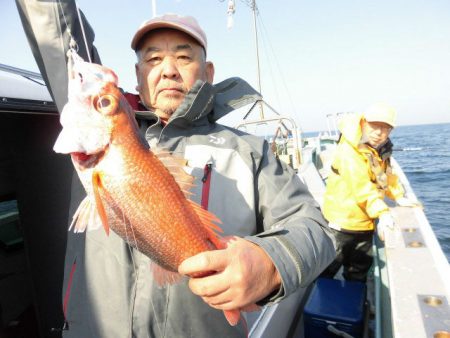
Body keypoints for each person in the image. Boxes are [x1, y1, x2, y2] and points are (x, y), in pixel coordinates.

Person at [16, 1, 336, 337]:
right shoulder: (101, 133)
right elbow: (56, 33)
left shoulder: (250, 152)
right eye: (153, 59)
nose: (168, 69)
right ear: (138, 76)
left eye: (184, 57)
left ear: (208, 72)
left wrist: (271, 262)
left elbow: (314, 226)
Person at [320, 103, 419, 282]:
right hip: (341, 221)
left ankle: (355, 303)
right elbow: (362, 187)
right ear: (363, 123)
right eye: (374, 126)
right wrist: (383, 212)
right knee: (328, 266)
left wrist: (398, 196)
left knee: (359, 269)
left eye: (386, 128)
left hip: (365, 221)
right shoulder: (349, 150)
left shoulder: (381, 148)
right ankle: (319, 302)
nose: (379, 133)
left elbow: (386, 176)